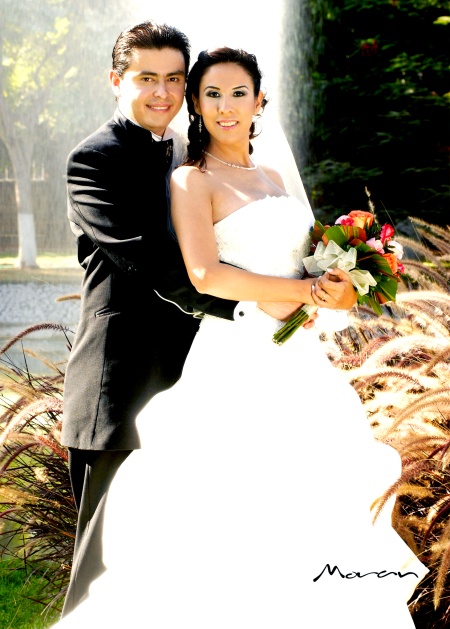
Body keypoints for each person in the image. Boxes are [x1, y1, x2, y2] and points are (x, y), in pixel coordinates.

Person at [56, 47, 427, 628]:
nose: (226, 107)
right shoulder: (190, 179)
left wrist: (345, 285)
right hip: (235, 358)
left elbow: (308, 267)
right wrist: (301, 295)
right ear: (195, 106)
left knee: (311, 501)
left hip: (300, 362)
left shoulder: (276, 177)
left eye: (237, 93)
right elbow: (204, 273)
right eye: (211, 94)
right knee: (237, 506)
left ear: (260, 100)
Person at [60, 21, 309, 617]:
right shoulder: (93, 160)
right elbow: (155, 265)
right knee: (103, 571)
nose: (163, 93)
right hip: (123, 387)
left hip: (200, 382)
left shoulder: (186, 155)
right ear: (117, 80)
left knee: (176, 563)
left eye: (175, 79)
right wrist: (256, 307)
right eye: (147, 78)